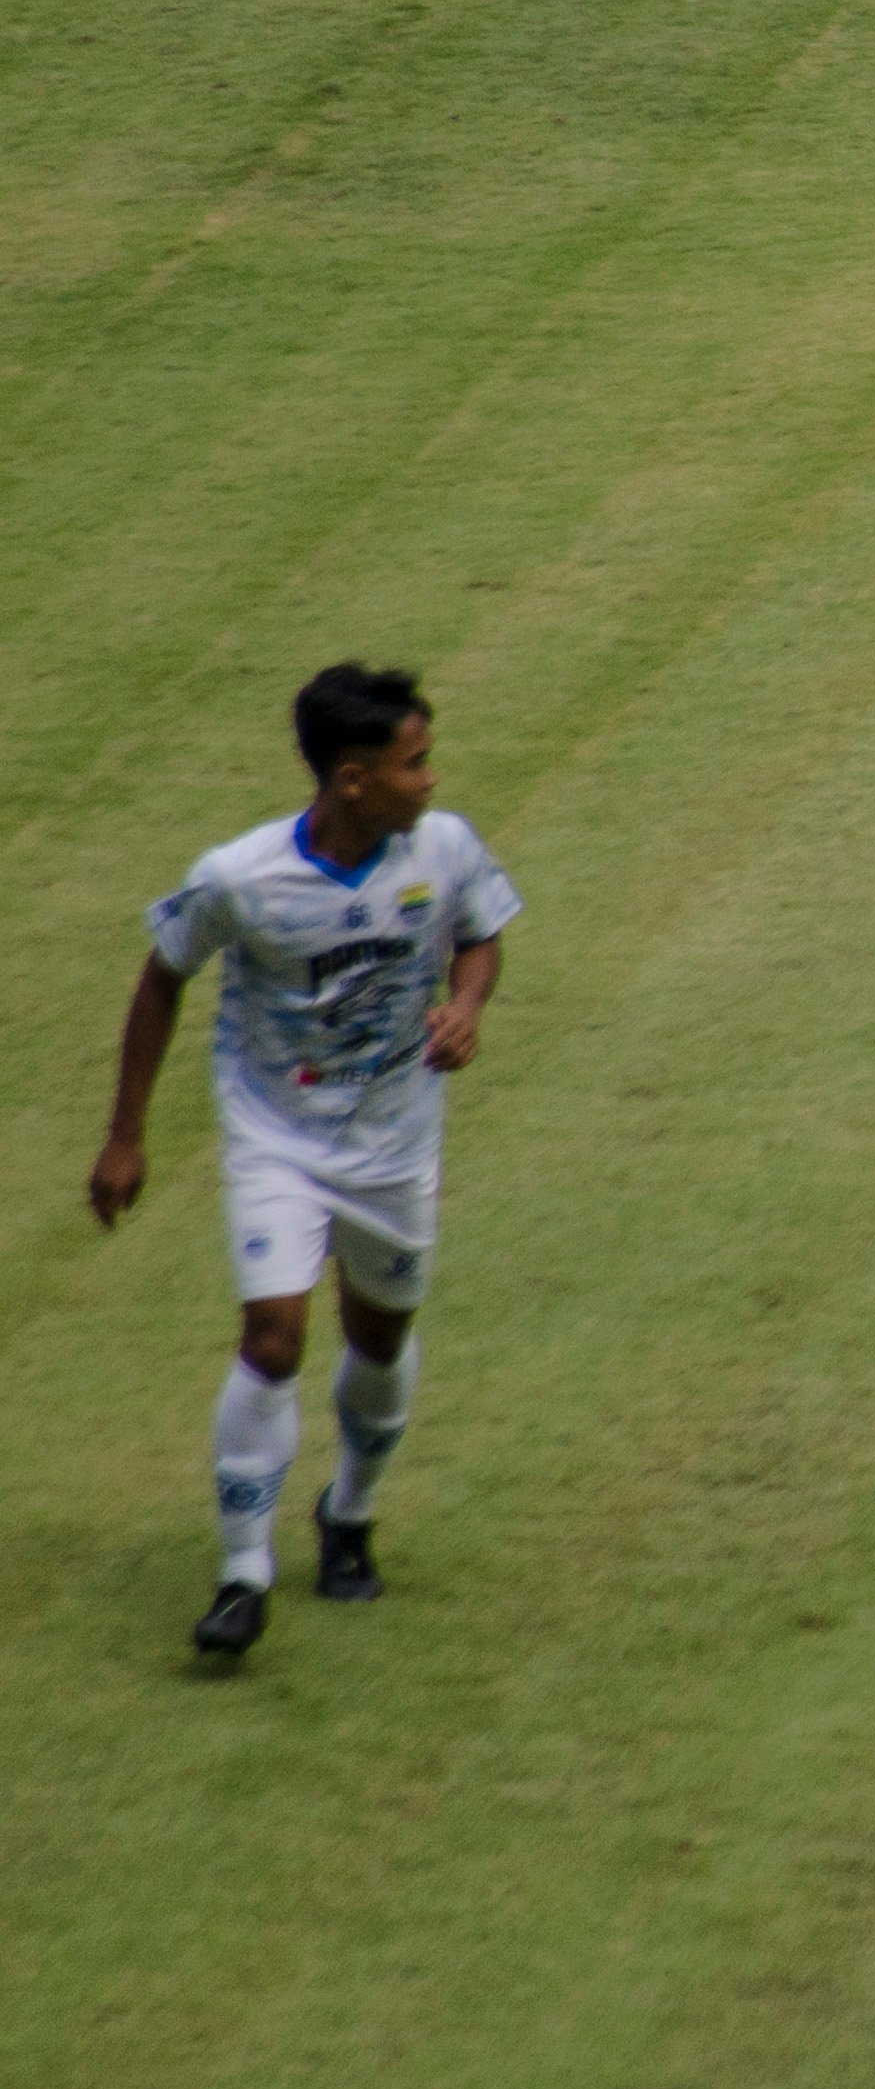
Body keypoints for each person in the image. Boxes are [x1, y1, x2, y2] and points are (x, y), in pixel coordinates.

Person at [88, 665, 522, 1662]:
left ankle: (350, 1512)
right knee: (276, 1340)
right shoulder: (241, 878)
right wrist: (125, 1134)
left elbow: (482, 936)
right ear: (353, 779)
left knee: (376, 1339)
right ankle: (243, 1574)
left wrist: (466, 1007)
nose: (432, 778)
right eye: (416, 763)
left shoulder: (441, 848)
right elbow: (163, 979)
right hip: (275, 1138)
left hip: (395, 1143)